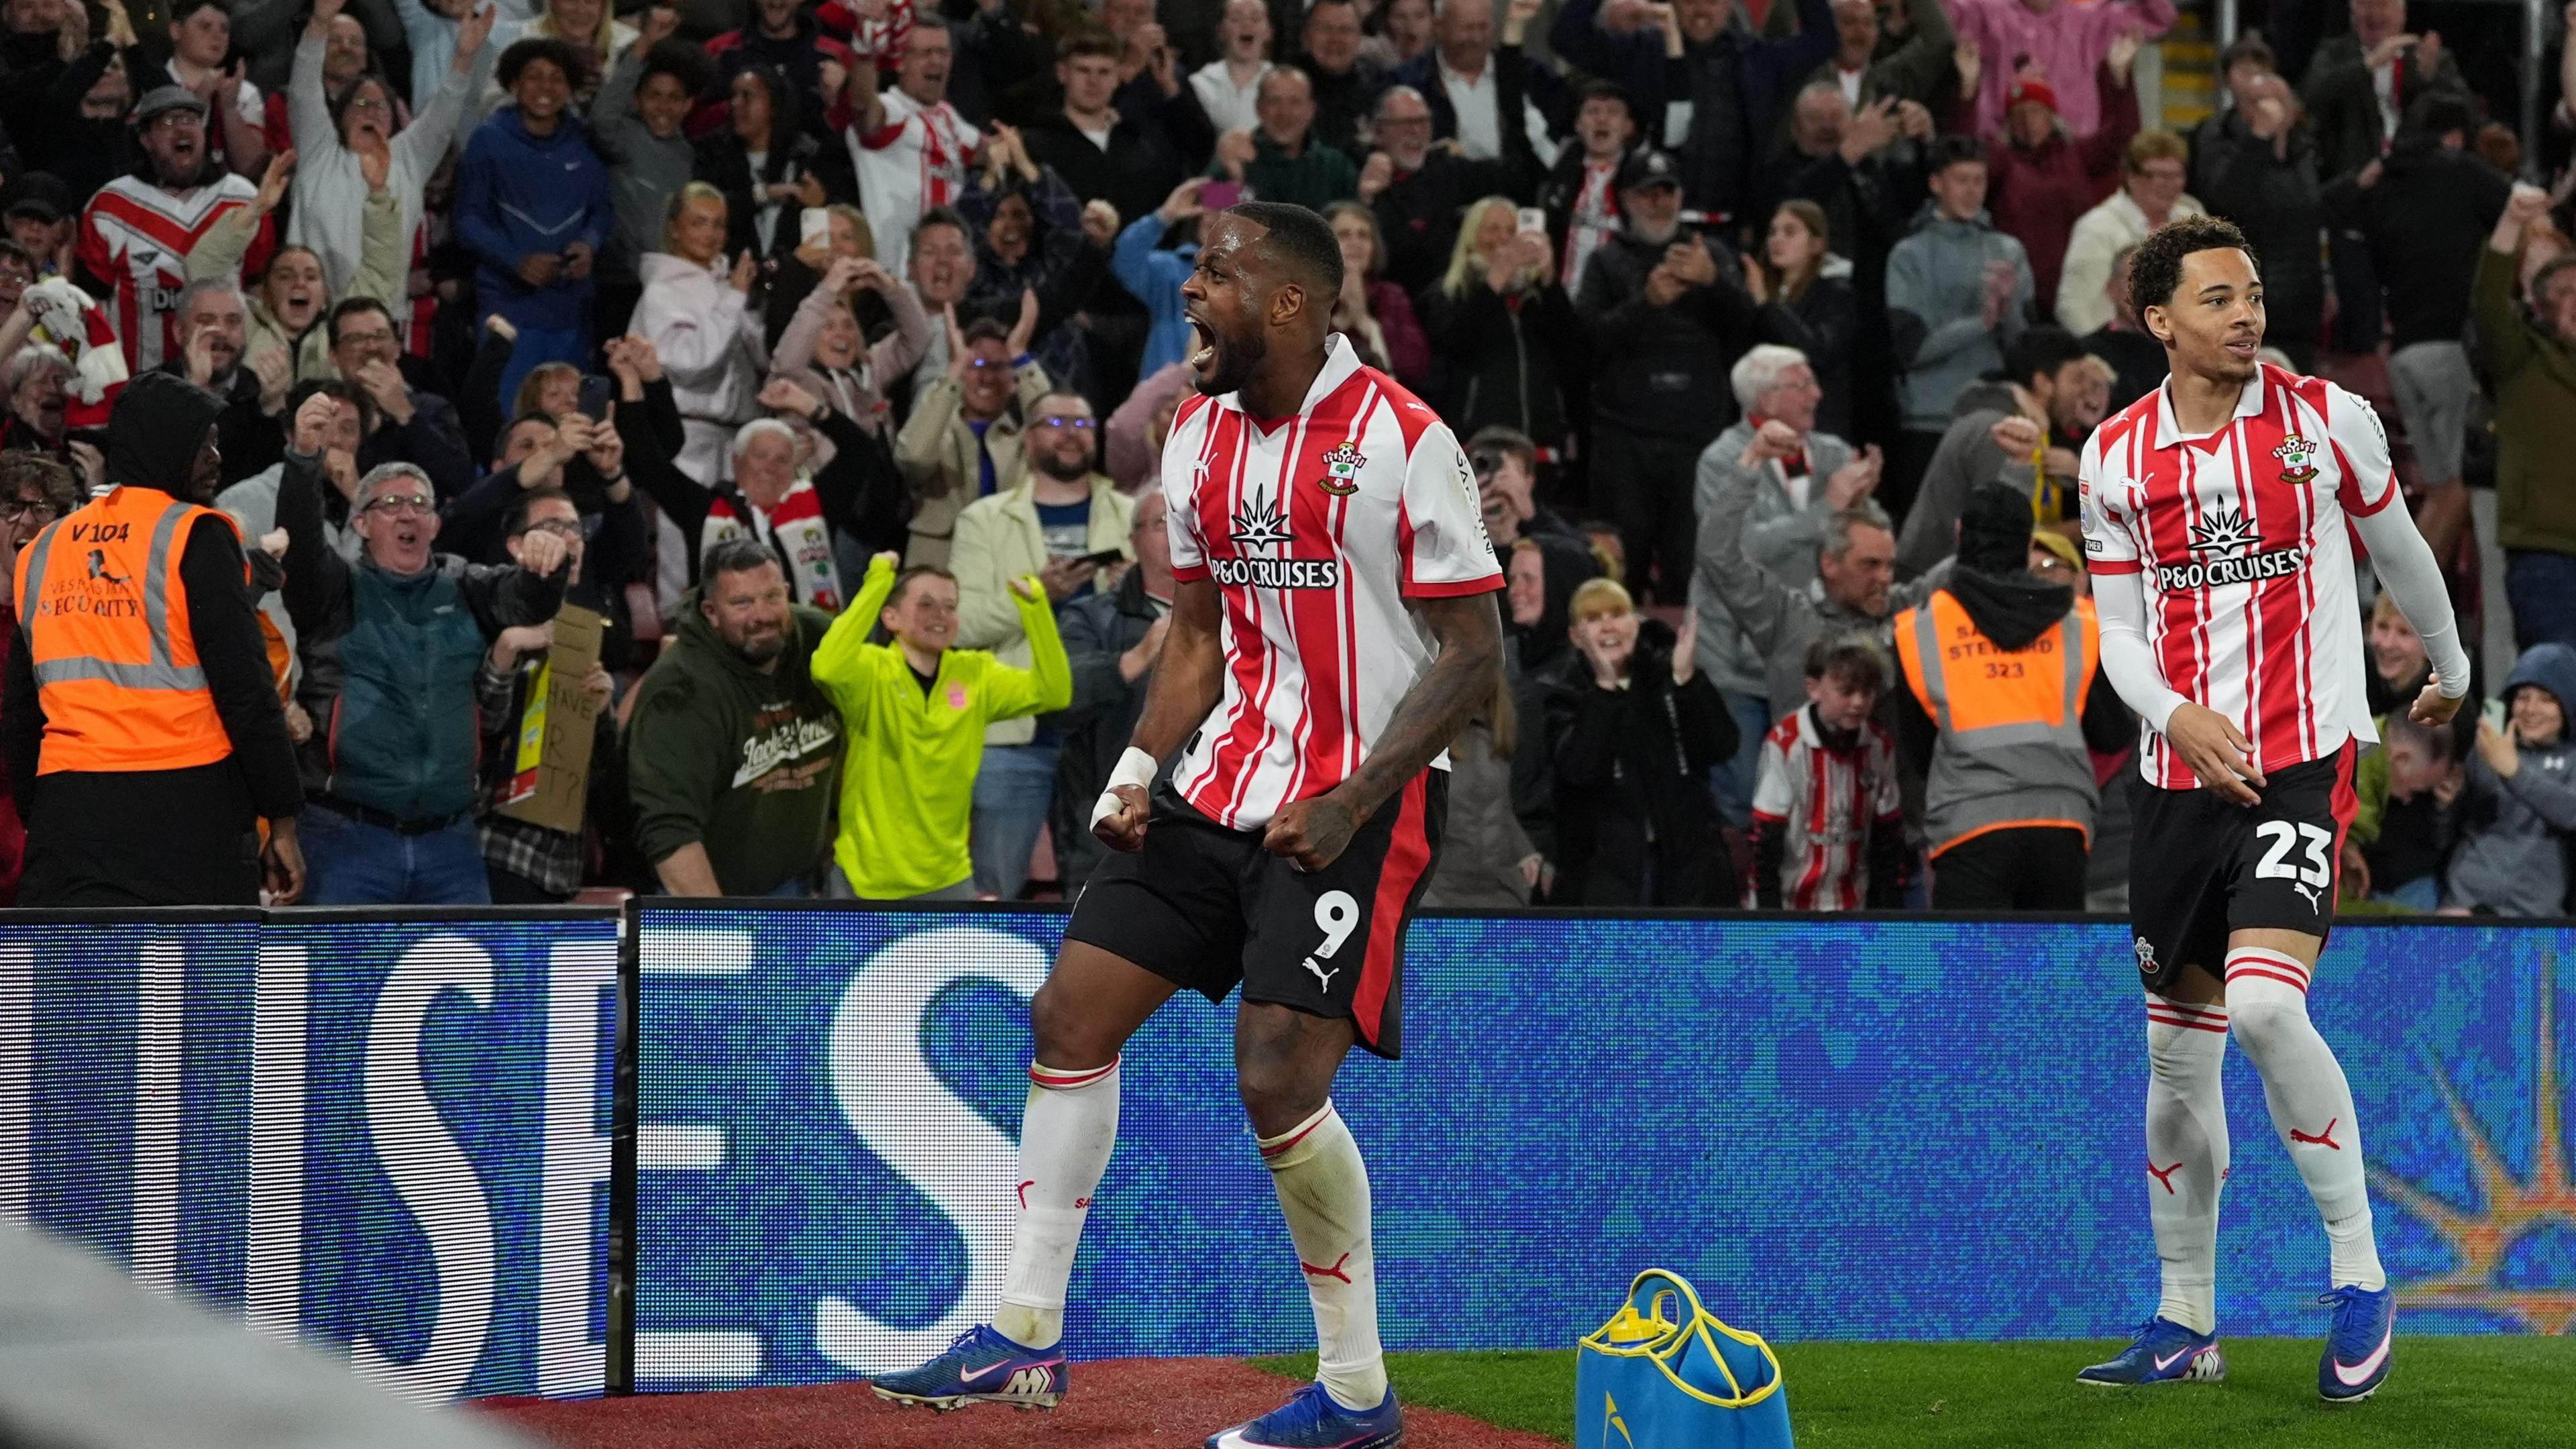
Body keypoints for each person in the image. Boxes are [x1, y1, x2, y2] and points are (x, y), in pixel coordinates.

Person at [869, 202, 1502, 1449]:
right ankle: (1026, 1337)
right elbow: (1200, 636)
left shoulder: (1402, 439)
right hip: (1216, 784)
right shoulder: (1197, 434)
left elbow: (1474, 657)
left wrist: (1354, 798)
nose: (1191, 293)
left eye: (1217, 274)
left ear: (1289, 302)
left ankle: (1358, 1397)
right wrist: (1140, 764)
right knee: (1069, 1015)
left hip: (1354, 805)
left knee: (1274, 1077)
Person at [2071, 213, 2472, 1399]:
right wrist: (2176, 716)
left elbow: (2397, 546)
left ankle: (2358, 1274)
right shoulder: (2112, 457)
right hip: (2175, 777)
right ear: (2159, 322)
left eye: (2253, 295)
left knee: (2260, 1006)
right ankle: (2184, 1320)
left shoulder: (2324, 422)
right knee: (2175, 1062)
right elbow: (2121, 635)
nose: (2248, 314)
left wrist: (2449, 661)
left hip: (2301, 758)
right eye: (2218, 299)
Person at [3, 372, 303, 906]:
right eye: (201, 443)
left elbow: (24, 713)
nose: (215, 457)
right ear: (163, 444)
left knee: (84, 987)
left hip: (70, 816)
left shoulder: (44, 549)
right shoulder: (195, 534)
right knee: (194, 988)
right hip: (187, 815)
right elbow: (246, 690)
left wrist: (43, 813)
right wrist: (281, 815)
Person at [276, 398, 573, 905]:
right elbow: (302, 548)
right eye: (389, 506)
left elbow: (525, 601)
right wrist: (305, 459)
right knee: (344, 985)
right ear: (362, 525)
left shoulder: (466, 585)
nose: (407, 513)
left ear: (435, 526)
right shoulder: (335, 589)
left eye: (420, 504)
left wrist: (549, 569)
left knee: (460, 985)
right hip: (346, 835)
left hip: (450, 843)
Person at [1894, 480, 2127, 909]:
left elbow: (1915, 752)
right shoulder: (2079, 622)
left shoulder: (1918, 630)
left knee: (1973, 973)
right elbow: (2112, 734)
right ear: (2026, 547)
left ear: (1960, 536)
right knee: (2050, 972)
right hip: (2060, 826)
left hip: (1967, 826)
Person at [948, 389, 1134, 898]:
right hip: (1015, 735)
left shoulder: (1131, 513)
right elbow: (958, 625)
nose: (1070, 432)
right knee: (995, 888)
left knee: (1110, 891)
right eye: (1054, 421)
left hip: (1107, 736)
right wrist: (1036, 597)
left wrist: (1127, 591)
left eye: (1081, 421)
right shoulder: (983, 520)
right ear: (1028, 439)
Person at [1578, 148, 1779, 604]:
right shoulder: (1607, 264)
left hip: (1697, 440)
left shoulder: (1711, 257)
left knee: (1693, 570)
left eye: (1667, 191)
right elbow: (1585, 346)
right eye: (1647, 194)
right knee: (1620, 571)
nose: (1658, 203)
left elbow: (1749, 330)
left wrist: (1714, 282)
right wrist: (1644, 304)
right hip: (1625, 441)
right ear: (1626, 201)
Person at [1690, 344, 1880, 825]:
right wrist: (1826, 512)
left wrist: (1866, 505)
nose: (1817, 394)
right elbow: (1736, 550)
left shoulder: (1834, 452)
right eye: (1802, 384)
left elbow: (1864, 536)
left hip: (1808, 654)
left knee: (1814, 795)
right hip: (1736, 658)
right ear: (1766, 397)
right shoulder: (1722, 461)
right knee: (1744, 798)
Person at [810, 552, 1071, 898]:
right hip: (865, 880)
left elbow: (1054, 693)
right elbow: (826, 667)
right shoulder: (871, 671)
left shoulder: (976, 673)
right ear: (891, 617)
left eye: (950, 607)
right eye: (926, 605)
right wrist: (877, 583)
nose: (941, 616)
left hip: (948, 879)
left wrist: (1036, 609)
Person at [2342, 94, 2510, 570]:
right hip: (2452, 347)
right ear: (2455, 138)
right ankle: (2403, 608)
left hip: (2403, 354)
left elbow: (2349, 236)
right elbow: (2519, 217)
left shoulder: (2382, 188)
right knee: (2462, 487)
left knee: (2439, 491)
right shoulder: (2462, 171)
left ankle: (2387, 602)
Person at [624, 537, 843, 896]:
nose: (762, 616)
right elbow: (669, 829)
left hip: (798, 883)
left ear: (787, 592)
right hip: (708, 894)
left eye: (773, 597)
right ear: (711, 612)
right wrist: (720, 925)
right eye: (742, 603)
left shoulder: (819, 640)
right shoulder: (682, 688)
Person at [1544, 576, 1734, 905]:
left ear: (1636, 622)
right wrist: (1605, 689)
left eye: (1617, 614)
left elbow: (1721, 745)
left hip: (1689, 871)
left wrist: (1689, 682)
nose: (1608, 627)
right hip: (1608, 880)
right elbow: (1579, 770)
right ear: (1575, 637)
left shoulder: (1670, 677)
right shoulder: (1564, 695)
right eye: (1592, 619)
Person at [472, 488, 621, 902]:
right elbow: (476, 733)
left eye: (575, 528)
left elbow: (602, 768)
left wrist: (602, 713)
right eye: (554, 528)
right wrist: (502, 656)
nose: (570, 538)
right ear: (517, 546)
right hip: (499, 850)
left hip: (561, 861)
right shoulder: (486, 611)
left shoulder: (588, 628)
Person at [288, 0, 488, 305]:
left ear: (394, 117)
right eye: (360, 103)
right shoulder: (319, 152)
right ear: (340, 116)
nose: (371, 112)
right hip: (311, 315)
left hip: (380, 324)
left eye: (380, 105)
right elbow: (304, 90)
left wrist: (463, 60)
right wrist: (318, 25)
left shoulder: (409, 158)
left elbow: (444, 112)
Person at [458, 38, 613, 408]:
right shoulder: (488, 140)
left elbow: (602, 210)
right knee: (507, 420)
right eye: (534, 77)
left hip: (570, 312)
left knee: (573, 423)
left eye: (557, 78)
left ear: (571, 88)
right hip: (508, 310)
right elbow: (467, 218)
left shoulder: (584, 141)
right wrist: (515, 261)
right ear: (514, 85)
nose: (545, 88)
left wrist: (589, 245)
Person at [1886, 133, 2033, 521]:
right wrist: (1982, 322)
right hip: (1930, 421)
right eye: (1961, 180)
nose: (1972, 191)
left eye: (1979, 181)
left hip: (1996, 421)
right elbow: (1912, 350)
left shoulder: (2009, 251)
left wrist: (2008, 309)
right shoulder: (1910, 256)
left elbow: (2022, 350)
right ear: (1936, 183)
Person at [78, 87, 271, 376]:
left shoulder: (244, 199)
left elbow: (259, 292)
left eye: (191, 120)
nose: (182, 129)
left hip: (227, 386)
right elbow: (91, 304)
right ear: (146, 139)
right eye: (169, 122)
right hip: (137, 385)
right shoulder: (110, 205)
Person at [1896, 323, 2098, 581]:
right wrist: (2095, 520)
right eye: (2077, 379)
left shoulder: (2040, 431)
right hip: (1933, 586)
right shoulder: (1999, 431)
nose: (2086, 392)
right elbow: (1999, 534)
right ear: (2044, 384)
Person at [1049, 488, 1175, 895]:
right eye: (1161, 521)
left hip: (1206, 816)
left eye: (1183, 518)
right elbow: (1059, 700)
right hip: (1108, 819)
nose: (1176, 529)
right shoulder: (1092, 616)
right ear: (1133, 540)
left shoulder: (1237, 611)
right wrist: (1135, 658)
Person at [2475, 184, 2576, 653]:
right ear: (2539, 304)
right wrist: (2511, 223)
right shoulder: (2520, 359)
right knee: (2551, 677)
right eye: (2563, 292)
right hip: (2544, 554)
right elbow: (2489, 305)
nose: (2575, 300)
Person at [1415, 194, 1582, 459]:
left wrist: (1549, 279)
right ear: (1472, 236)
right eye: (1492, 229)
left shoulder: (1539, 295)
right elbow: (1453, 345)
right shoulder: (1449, 291)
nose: (1504, 238)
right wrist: (1493, 284)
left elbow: (1574, 350)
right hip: (1474, 443)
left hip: (1539, 445)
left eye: (1512, 230)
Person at [1748, 631, 1906, 908]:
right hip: (1790, 905)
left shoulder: (1879, 746)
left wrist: (1885, 913)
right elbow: (1765, 846)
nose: (1858, 702)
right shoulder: (1785, 745)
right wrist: (1768, 920)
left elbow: (1888, 840)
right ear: (1814, 688)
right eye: (1846, 692)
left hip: (1853, 906)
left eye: (1866, 692)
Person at [1978, 55, 2140, 316]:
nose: (2028, 123)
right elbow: (1966, 162)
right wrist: (1967, 90)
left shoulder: (2076, 155)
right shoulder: (2001, 161)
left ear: (2052, 116)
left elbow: (2123, 138)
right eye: (2019, 115)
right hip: (2018, 297)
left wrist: (2120, 82)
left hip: (2076, 290)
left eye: (2036, 112)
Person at [634, 182, 769, 486]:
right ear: (674, 229)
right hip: (686, 441)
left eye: (718, 224)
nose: (710, 234)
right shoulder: (662, 292)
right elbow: (691, 364)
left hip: (740, 437)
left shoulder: (729, 286)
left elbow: (763, 360)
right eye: (699, 223)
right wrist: (734, 299)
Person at [894, 311, 1049, 566]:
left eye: (998, 366)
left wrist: (1021, 356)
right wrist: (953, 373)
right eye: (975, 366)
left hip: (1008, 567)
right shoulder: (936, 433)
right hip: (939, 568)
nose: (986, 377)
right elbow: (913, 458)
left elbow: (1054, 433)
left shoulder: (1025, 444)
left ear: (1014, 382)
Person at [2443, 643, 2576, 916]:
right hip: (2465, 904)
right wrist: (2445, 807)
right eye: (2523, 697)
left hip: (2534, 920)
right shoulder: (2489, 749)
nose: (2531, 709)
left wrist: (2514, 771)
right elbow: (2457, 830)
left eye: (2546, 699)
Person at [846, 14, 979, 276]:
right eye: (926, 53)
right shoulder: (892, 111)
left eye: (943, 52)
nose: (937, 62)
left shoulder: (950, 119)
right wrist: (865, 53)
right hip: (894, 280)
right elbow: (862, 106)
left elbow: (990, 148)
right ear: (900, 61)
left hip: (946, 282)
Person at [0, 452, 74, 904]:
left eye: (43, 508)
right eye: (11, 505)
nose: (26, 520)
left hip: (48, 849)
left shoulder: (76, 620)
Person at [1949, 0, 2171, 142]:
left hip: (2074, 152)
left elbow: (2160, 16)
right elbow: (1936, 15)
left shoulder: (2091, 18)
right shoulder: (1984, 10)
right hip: (2000, 148)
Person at [2056, 130, 2202, 338]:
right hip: (2118, 347)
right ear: (2131, 177)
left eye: (2176, 175)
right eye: (2158, 176)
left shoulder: (2192, 219)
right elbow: (2073, 306)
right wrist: (2103, 352)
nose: (2170, 184)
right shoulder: (2097, 227)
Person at [1189, 0, 1274, 135]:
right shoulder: (1199, 85)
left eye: (1256, 19)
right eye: (1236, 19)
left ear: (1269, 31)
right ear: (1222, 30)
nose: (1246, 25)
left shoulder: (1282, 85)